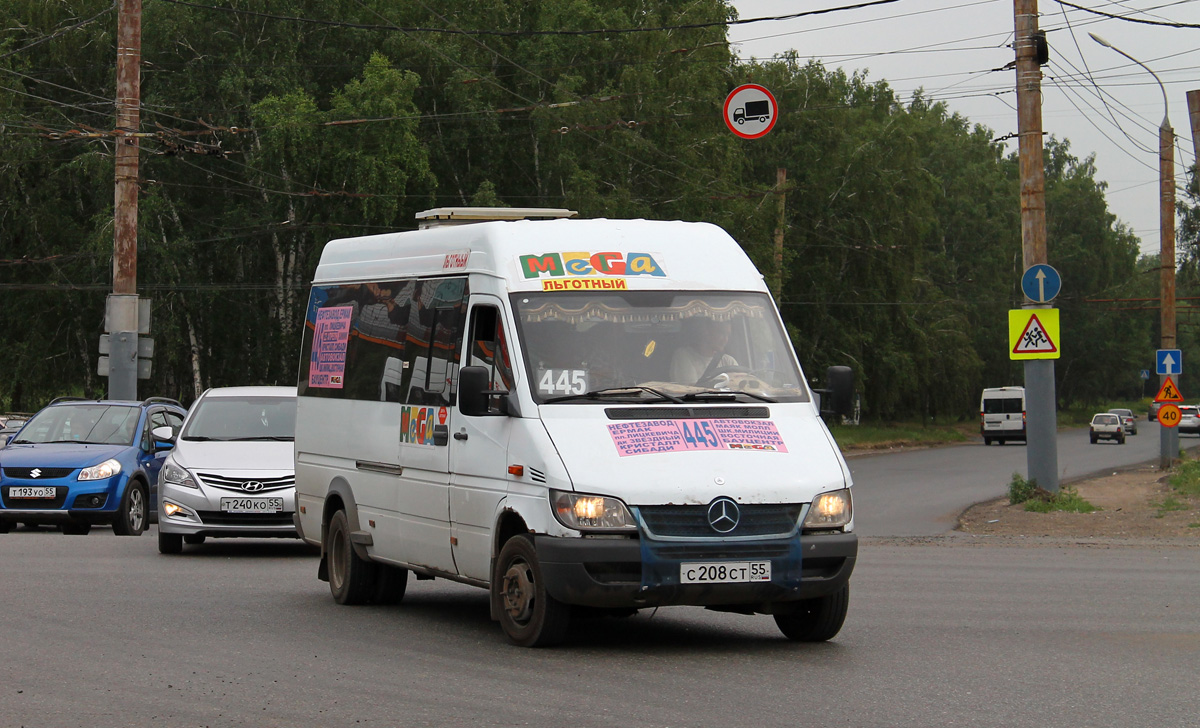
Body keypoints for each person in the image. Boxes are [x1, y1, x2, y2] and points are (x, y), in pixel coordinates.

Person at [670, 316, 737, 384]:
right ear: (706, 332)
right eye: (721, 333)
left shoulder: (729, 361)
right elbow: (690, 391)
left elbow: (739, 387)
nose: (726, 339)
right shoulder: (684, 356)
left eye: (728, 335)